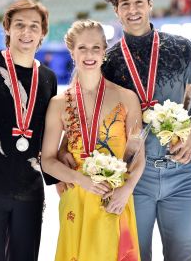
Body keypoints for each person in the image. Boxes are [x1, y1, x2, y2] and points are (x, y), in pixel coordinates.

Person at [102, 0, 191, 260]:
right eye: (125, 3)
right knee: (135, 254)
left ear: (150, 3)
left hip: (180, 172)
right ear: (116, 10)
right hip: (136, 176)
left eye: (139, 1)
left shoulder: (181, 48)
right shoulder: (108, 62)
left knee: (184, 254)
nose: (133, 9)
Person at [42, 19, 143, 261]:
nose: (89, 54)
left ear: (104, 51)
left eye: (96, 47)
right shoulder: (59, 103)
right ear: (72, 51)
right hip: (76, 196)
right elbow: (47, 160)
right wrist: (78, 179)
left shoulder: (127, 98)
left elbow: (138, 153)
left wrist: (126, 190)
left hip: (115, 197)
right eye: (82, 48)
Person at [0, 0, 58, 261]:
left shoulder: (48, 78)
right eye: (19, 24)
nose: (26, 32)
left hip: (29, 191)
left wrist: (56, 178)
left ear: (43, 33)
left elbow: (46, 134)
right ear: (7, 27)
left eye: (34, 26)